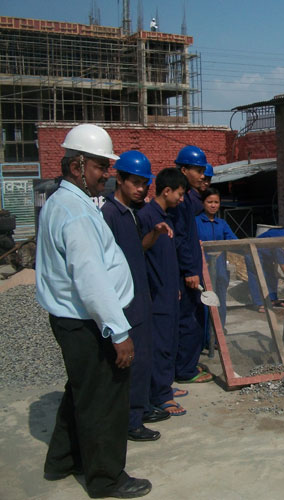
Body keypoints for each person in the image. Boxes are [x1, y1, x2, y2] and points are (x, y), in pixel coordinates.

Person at [36, 124, 151, 498]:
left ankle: (62, 461)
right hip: (88, 322)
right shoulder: (77, 213)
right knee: (104, 400)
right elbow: (91, 280)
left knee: (82, 392)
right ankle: (106, 478)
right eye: (101, 166)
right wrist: (119, 332)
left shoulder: (62, 202)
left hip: (73, 319)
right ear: (77, 167)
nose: (106, 174)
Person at [102, 151, 172, 442]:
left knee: (143, 358)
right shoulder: (109, 215)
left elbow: (138, 249)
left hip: (140, 295)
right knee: (131, 361)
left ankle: (141, 408)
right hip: (124, 302)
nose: (141, 189)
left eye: (145, 183)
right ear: (119, 179)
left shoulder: (132, 212)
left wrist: (155, 233)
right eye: (135, 182)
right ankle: (130, 421)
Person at [137, 168, 190, 416]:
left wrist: (175, 286)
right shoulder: (147, 217)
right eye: (179, 194)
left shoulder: (167, 216)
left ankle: (165, 386)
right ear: (166, 191)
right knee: (159, 344)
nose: (181, 199)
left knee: (170, 340)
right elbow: (141, 252)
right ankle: (159, 395)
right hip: (156, 293)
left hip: (169, 290)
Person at [170, 145, 213, 383]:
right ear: (184, 170)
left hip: (190, 269)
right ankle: (185, 370)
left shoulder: (187, 198)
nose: (202, 176)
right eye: (198, 171)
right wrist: (189, 270)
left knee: (192, 318)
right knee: (190, 321)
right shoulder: (181, 201)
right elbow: (180, 239)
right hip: (186, 274)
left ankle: (186, 364)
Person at [196, 187, 238, 347]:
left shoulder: (222, 224)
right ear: (203, 203)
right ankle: (205, 338)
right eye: (210, 202)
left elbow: (233, 241)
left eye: (216, 202)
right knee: (205, 305)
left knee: (220, 303)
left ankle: (217, 336)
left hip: (220, 271)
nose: (213, 205)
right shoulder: (196, 222)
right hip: (203, 271)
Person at [247, 216, 284, 312]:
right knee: (257, 278)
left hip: (265, 256)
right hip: (253, 253)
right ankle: (258, 304)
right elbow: (279, 254)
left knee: (271, 276)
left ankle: (273, 299)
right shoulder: (280, 235)